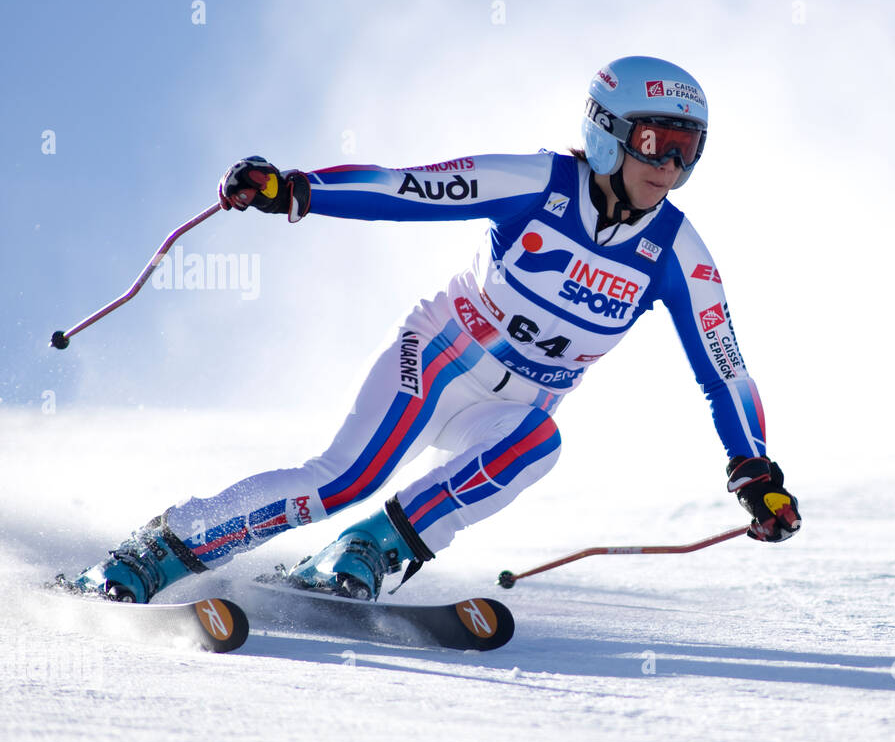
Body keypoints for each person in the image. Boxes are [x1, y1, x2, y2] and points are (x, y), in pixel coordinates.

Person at [62, 55, 802, 604]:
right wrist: (297, 190)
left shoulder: (679, 253)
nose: (668, 165)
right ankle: (153, 552)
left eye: (686, 149)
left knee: (539, 443)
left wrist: (755, 473)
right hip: (442, 355)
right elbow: (408, 189)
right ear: (607, 134)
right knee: (345, 477)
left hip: (519, 405)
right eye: (653, 141)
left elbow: (724, 368)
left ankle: (366, 552)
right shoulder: (536, 182)